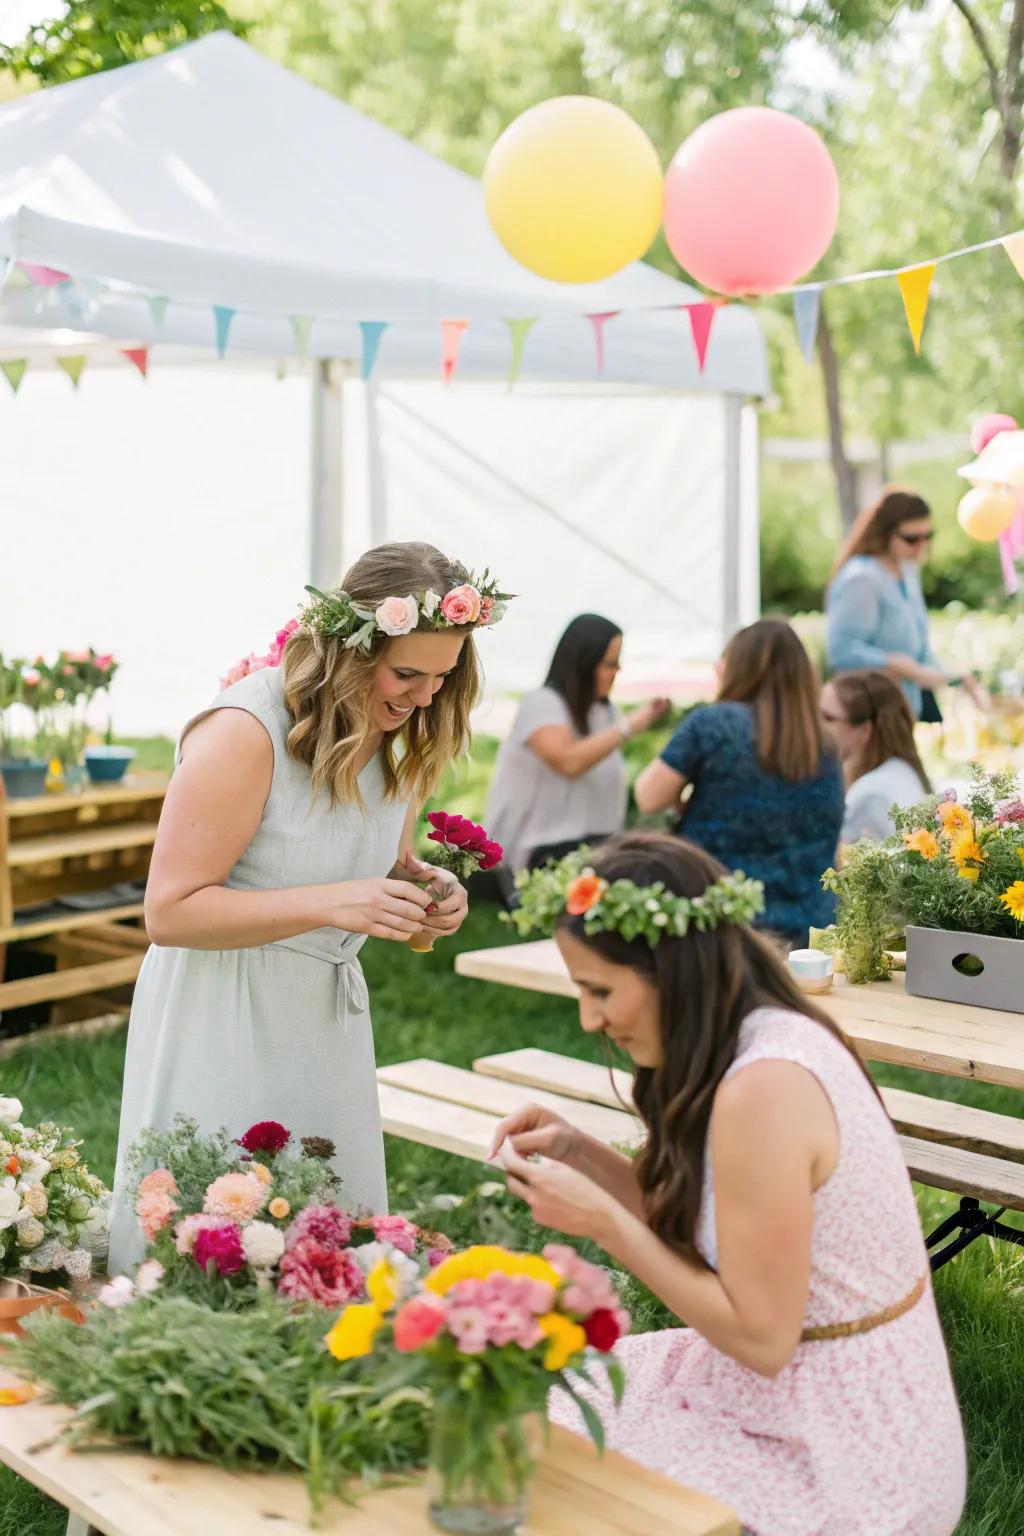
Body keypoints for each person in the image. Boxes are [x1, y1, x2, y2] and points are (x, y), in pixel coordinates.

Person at [492, 833, 966, 1536]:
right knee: (534, 1412)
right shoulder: (748, 1033)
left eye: (600, 991)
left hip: (845, 1446)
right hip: (785, 1391)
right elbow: (712, 1230)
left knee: (560, 1475)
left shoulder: (764, 1089)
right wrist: (579, 1151)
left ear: (673, 971)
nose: (589, 1019)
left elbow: (761, 1337)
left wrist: (607, 1225)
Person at [108, 542, 504, 1272]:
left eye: (443, 677)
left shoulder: (397, 734)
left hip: (322, 1022)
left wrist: (422, 891)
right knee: (219, 1232)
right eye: (406, 673)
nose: (423, 696)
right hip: (223, 1013)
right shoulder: (243, 731)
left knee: (322, 1239)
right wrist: (335, 901)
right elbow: (168, 911)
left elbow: (359, 853)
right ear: (346, 649)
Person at [634, 618, 842, 949]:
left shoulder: (713, 724)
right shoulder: (824, 742)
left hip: (725, 920)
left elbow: (647, 796)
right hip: (811, 930)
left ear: (738, 667)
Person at [485, 614, 668, 875]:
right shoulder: (543, 704)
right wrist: (629, 726)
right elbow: (568, 762)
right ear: (584, 665)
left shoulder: (604, 713)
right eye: (610, 664)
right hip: (542, 853)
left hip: (595, 846)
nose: (618, 671)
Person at [826, 486, 988, 722]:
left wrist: (956, 678)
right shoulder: (861, 578)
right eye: (911, 538)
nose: (921, 545)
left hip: (905, 710)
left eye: (927, 536)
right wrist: (896, 664)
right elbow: (841, 651)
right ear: (885, 533)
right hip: (869, 715)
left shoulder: (907, 570)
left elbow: (919, 650)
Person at [820, 669, 932, 844]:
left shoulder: (870, 793)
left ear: (865, 730)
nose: (816, 726)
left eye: (827, 717)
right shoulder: (901, 769)